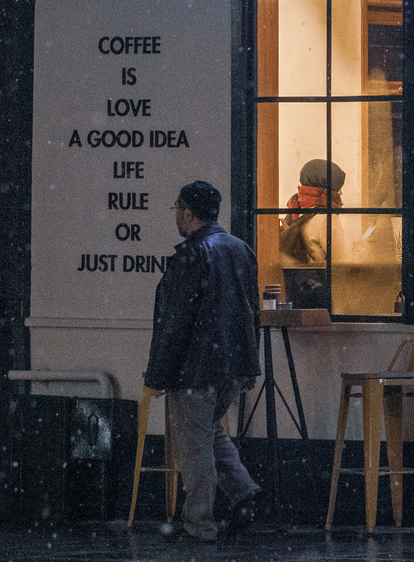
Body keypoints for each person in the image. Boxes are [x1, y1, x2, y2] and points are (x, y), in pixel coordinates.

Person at [144, 181, 261, 543]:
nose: (176, 214)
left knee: (194, 451)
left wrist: (158, 374)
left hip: (194, 369)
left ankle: (199, 525)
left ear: (189, 213)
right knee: (210, 433)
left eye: (177, 208)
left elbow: (174, 322)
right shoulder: (240, 249)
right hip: (230, 369)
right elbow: (249, 312)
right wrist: (247, 366)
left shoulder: (192, 256)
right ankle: (245, 493)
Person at [279, 159, 346, 309]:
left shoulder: (297, 211)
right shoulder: (327, 219)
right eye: (338, 186)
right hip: (323, 301)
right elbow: (343, 265)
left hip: (299, 298)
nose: (341, 192)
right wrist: (364, 246)